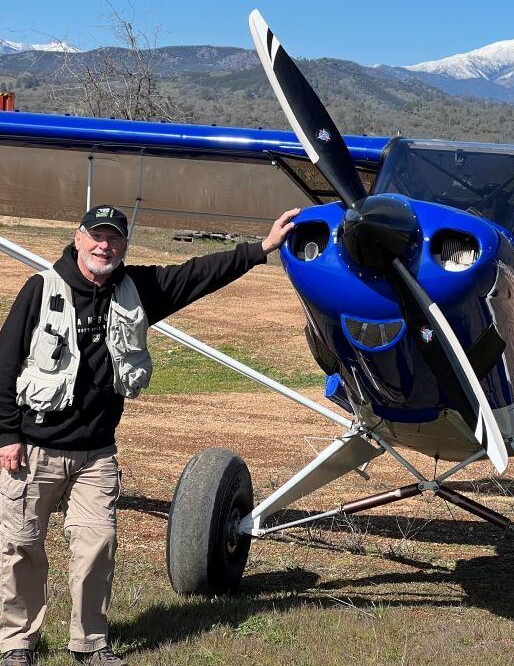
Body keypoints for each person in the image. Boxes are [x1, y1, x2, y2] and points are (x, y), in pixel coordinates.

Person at [0, 204, 300, 666]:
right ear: (78, 238)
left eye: (115, 238)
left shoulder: (137, 289)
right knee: (20, 547)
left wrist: (259, 249)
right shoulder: (42, 289)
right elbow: (3, 365)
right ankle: (18, 643)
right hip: (34, 449)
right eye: (97, 236)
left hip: (96, 454)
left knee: (96, 547)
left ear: (124, 246)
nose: (105, 245)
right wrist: (6, 435)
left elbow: (198, 274)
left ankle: (91, 644)